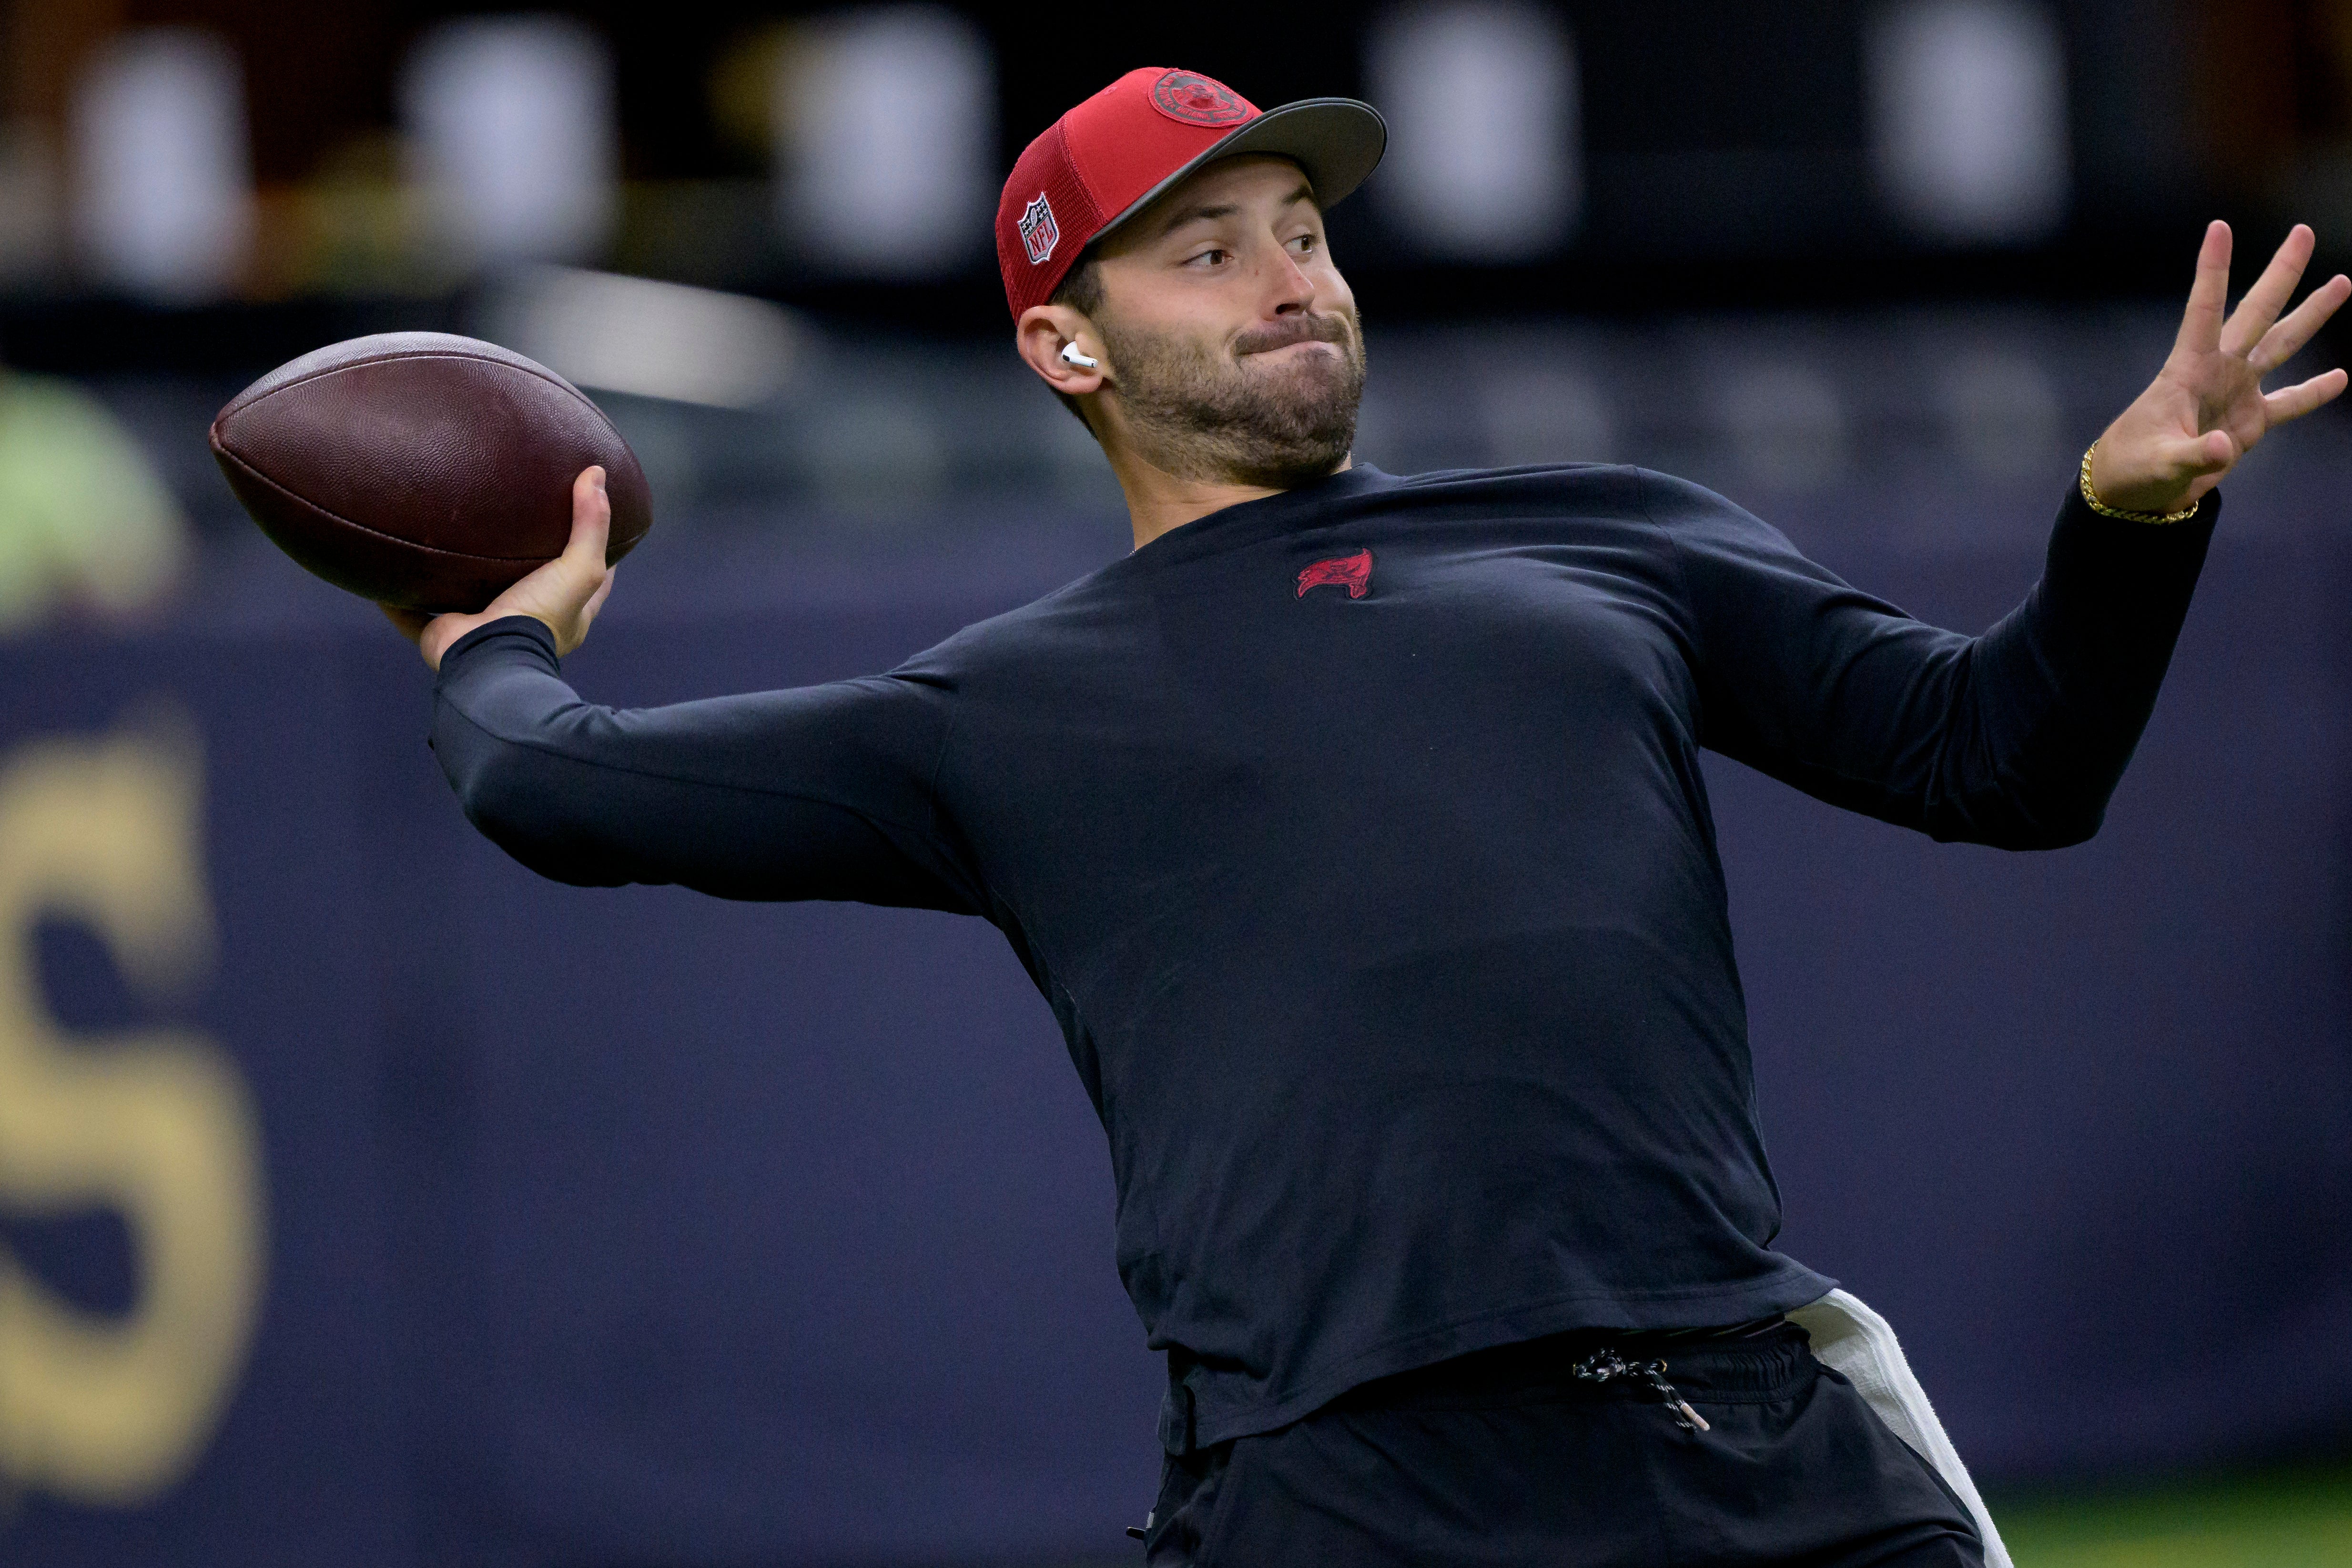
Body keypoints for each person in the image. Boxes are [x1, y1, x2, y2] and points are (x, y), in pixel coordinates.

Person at [389, 68, 2347, 1568]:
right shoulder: (1003, 705)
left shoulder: (1607, 534)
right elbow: (557, 783)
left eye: (1301, 225)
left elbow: (1999, 759)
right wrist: (497, 639)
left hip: (1739, 1414)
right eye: (1206, 246)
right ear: (1064, 344)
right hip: (1350, 1477)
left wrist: (2127, 519)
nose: (1289, 275)